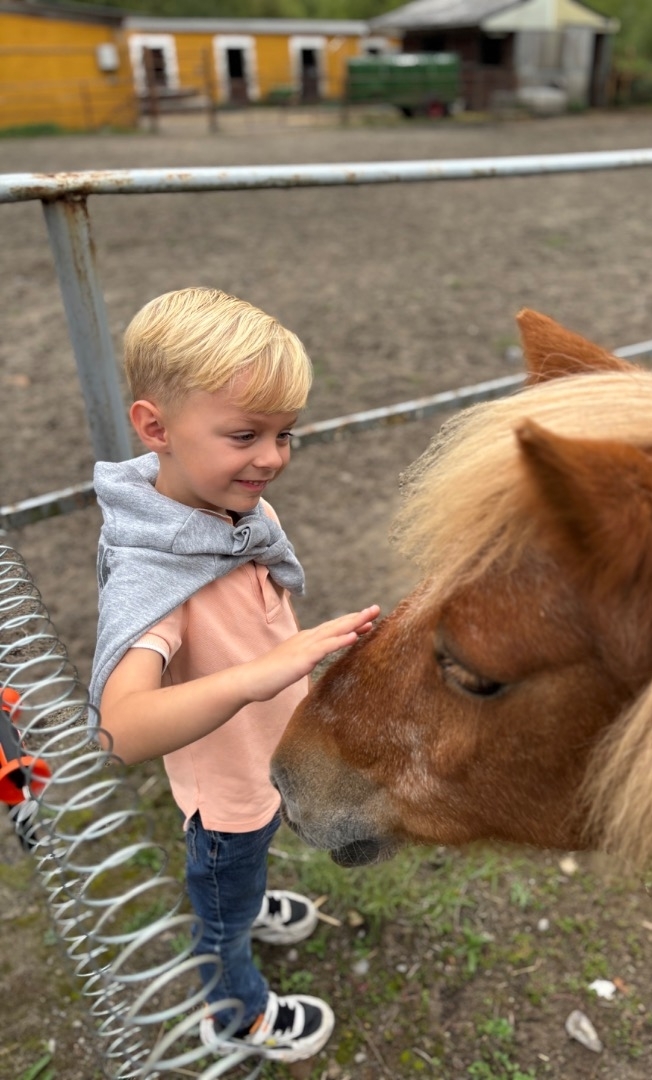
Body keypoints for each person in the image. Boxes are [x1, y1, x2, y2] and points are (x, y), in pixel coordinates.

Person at [88, 286, 379, 1064]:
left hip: (268, 757)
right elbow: (121, 730)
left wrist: (293, 666)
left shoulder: (238, 514)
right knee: (221, 912)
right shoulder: (155, 575)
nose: (273, 457)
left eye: (287, 434)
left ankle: (249, 904)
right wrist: (263, 674)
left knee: (250, 870)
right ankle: (236, 1014)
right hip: (227, 798)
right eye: (246, 434)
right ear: (156, 428)